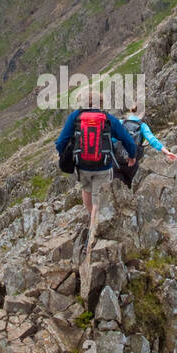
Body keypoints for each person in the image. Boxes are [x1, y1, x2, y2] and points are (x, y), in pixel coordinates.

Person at [55, 94, 137, 258]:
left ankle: (93, 227)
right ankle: (91, 240)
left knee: (89, 200)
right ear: (100, 104)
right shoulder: (107, 119)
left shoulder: (75, 117)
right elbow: (127, 139)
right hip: (103, 166)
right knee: (98, 204)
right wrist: (132, 155)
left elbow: (60, 142)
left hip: (82, 166)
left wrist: (65, 154)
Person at [114, 103, 177, 188]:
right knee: (129, 186)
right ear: (142, 113)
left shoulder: (121, 123)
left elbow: (111, 139)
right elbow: (153, 140)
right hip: (132, 162)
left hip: (116, 161)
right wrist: (167, 152)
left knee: (116, 186)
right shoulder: (142, 126)